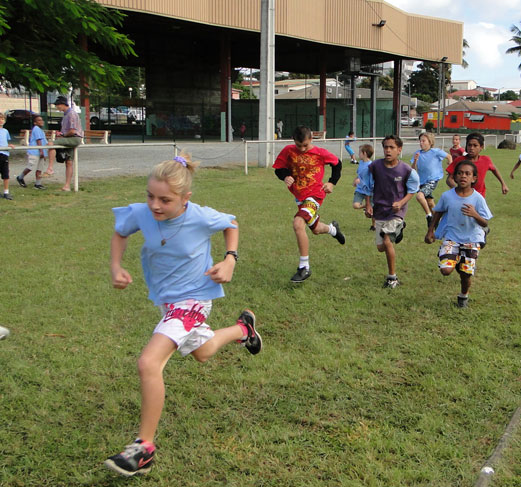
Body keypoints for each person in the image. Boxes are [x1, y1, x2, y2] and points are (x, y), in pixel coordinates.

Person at [104, 153, 261, 477]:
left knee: (149, 362)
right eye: (150, 196)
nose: (155, 205)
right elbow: (121, 232)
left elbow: (230, 224)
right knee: (203, 352)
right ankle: (243, 330)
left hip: (194, 300)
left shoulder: (199, 216)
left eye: (165, 200)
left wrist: (230, 259)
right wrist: (116, 266)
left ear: (185, 198)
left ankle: (144, 448)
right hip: (167, 302)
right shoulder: (143, 213)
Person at [273, 125, 345, 283]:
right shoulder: (288, 151)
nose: (302, 149)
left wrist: (332, 182)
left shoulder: (320, 153)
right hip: (300, 197)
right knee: (316, 229)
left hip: (315, 195)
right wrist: (285, 176)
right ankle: (333, 229)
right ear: (293, 141)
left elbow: (337, 164)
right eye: (299, 145)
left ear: (311, 139)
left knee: (298, 223)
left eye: (305, 145)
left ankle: (304, 267)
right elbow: (278, 169)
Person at [425, 159, 492, 308]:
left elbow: (485, 222)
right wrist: (430, 231)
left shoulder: (478, 198)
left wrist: (475, 214)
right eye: (460, 173)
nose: (463, 176)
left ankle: (463, 296)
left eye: (467, 174)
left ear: (474, 178)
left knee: (465, 275)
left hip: (471, 239)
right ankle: (452, 257)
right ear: (455, 177)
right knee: (446, 270)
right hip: (452, 237)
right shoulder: (447, 196)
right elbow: (438, 212)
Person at [364, 135, 419, 289]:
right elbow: (367, 186)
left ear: (399, 150)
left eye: (392, 147)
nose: (388, 150)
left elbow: (412, 190)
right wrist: (368, 205)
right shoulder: (375, 166)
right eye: (386, 147)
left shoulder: (406, 170)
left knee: (387, 241)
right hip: (380, 210)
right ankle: (398, 231)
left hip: (396, 212)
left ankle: (392, 278)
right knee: (380, 247)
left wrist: (401, 203)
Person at [411, 132, 452, 227]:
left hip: (432, 180)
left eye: (423, 141)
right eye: (420, 141)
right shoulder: (417, 153)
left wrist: (450, 167)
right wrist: (415, 161)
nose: (421, 143)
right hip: (422, 181)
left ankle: (429, 216)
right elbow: (413, 169)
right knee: (430, 203)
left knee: (419, 196)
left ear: (430, 142)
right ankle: (439, 225)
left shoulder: (436, 152)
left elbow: (449, 156)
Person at [52, 95, 83, 192]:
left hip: (74, 138)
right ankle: (67, 186)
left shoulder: (71, 114)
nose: (57, 107)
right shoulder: (65, 115)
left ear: (62, 104)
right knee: (69, 162)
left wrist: (63, 135)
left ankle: (50, 168)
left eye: (57, 105)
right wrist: (62, 134)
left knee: (51, 144)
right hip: (69, 138)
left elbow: (73, 131)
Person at [17, 115, 50, 190]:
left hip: (42, 151)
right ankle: (20, 177)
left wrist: (45, 152)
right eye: (39, 120)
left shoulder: (41, 130)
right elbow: (38, 140)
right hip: (35, 151)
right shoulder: (36, 129)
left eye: (42, 120)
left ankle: (38, 184)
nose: (41, 121)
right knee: (30, 166)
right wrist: (41, 150)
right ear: (35, 122)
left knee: (40, 168)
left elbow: (44, 141)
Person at [352, 143, 375, 230]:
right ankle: (367, 206)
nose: (358, 154)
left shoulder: (371, 166)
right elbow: (359, 175)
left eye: (360, 152)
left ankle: (374, 225)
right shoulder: (361, 163)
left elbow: (372, 180)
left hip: (369, 190)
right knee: (355, 205)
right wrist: (355, 181)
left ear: (364, 153)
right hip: (360, 190)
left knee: (372, 212)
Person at [0, 113, 14, 200]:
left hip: (4, 155)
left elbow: (5, 142)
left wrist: (9, 145)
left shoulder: (5, 131)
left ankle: (6, 192)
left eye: (2, 119)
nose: (1, 121)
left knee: (5, 174)